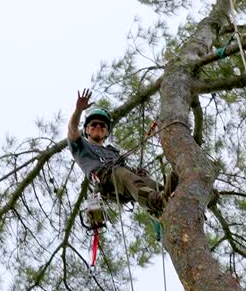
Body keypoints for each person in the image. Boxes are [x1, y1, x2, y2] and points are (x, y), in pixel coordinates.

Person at [67, 89, 177, 217]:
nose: (98, 126)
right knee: (120, 172)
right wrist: (78, 110)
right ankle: (158, 201)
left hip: (124, 183)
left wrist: (136, 173)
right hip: (106, 181)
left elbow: (129, 174)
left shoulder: (112, 151)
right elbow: (72, 129)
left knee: (148, 182)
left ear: (106, 132)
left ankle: (171, 197)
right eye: (94, 124)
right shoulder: (80, 146)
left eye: (102, 125)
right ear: (86, 130)